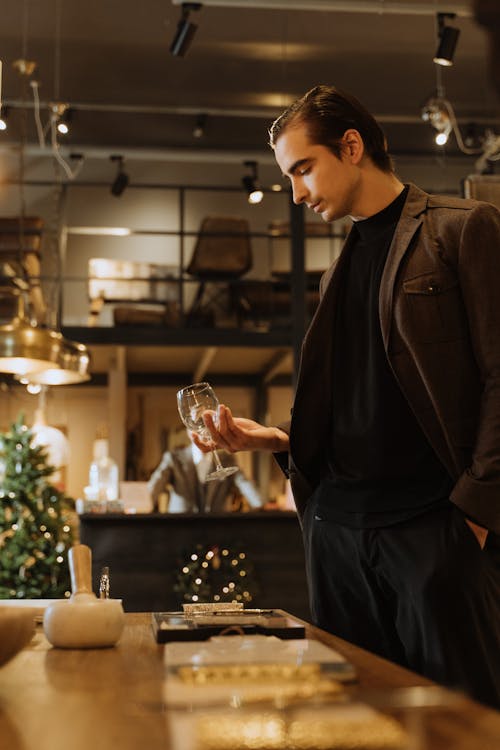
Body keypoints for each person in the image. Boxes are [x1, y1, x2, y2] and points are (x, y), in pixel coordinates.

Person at [194, 85, 500, 708]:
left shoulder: (462, 229)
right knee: (358, 723)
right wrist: (276, 440)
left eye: (303, 169)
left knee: (465, 723)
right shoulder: (341, 266)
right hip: (335, 534)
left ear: (352, 146)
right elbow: (363, 398)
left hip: (430, 532)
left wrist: (474, 515)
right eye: (288, 176)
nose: (298, 193)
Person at [148, 432, 263, 513]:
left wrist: (260, 506)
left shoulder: (227, 460)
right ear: (189, 430)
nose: (203, 430)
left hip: (216, 529)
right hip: (181, 528)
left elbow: (244, 483)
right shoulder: (173, 458)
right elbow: (155, 487)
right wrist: (141, 505)